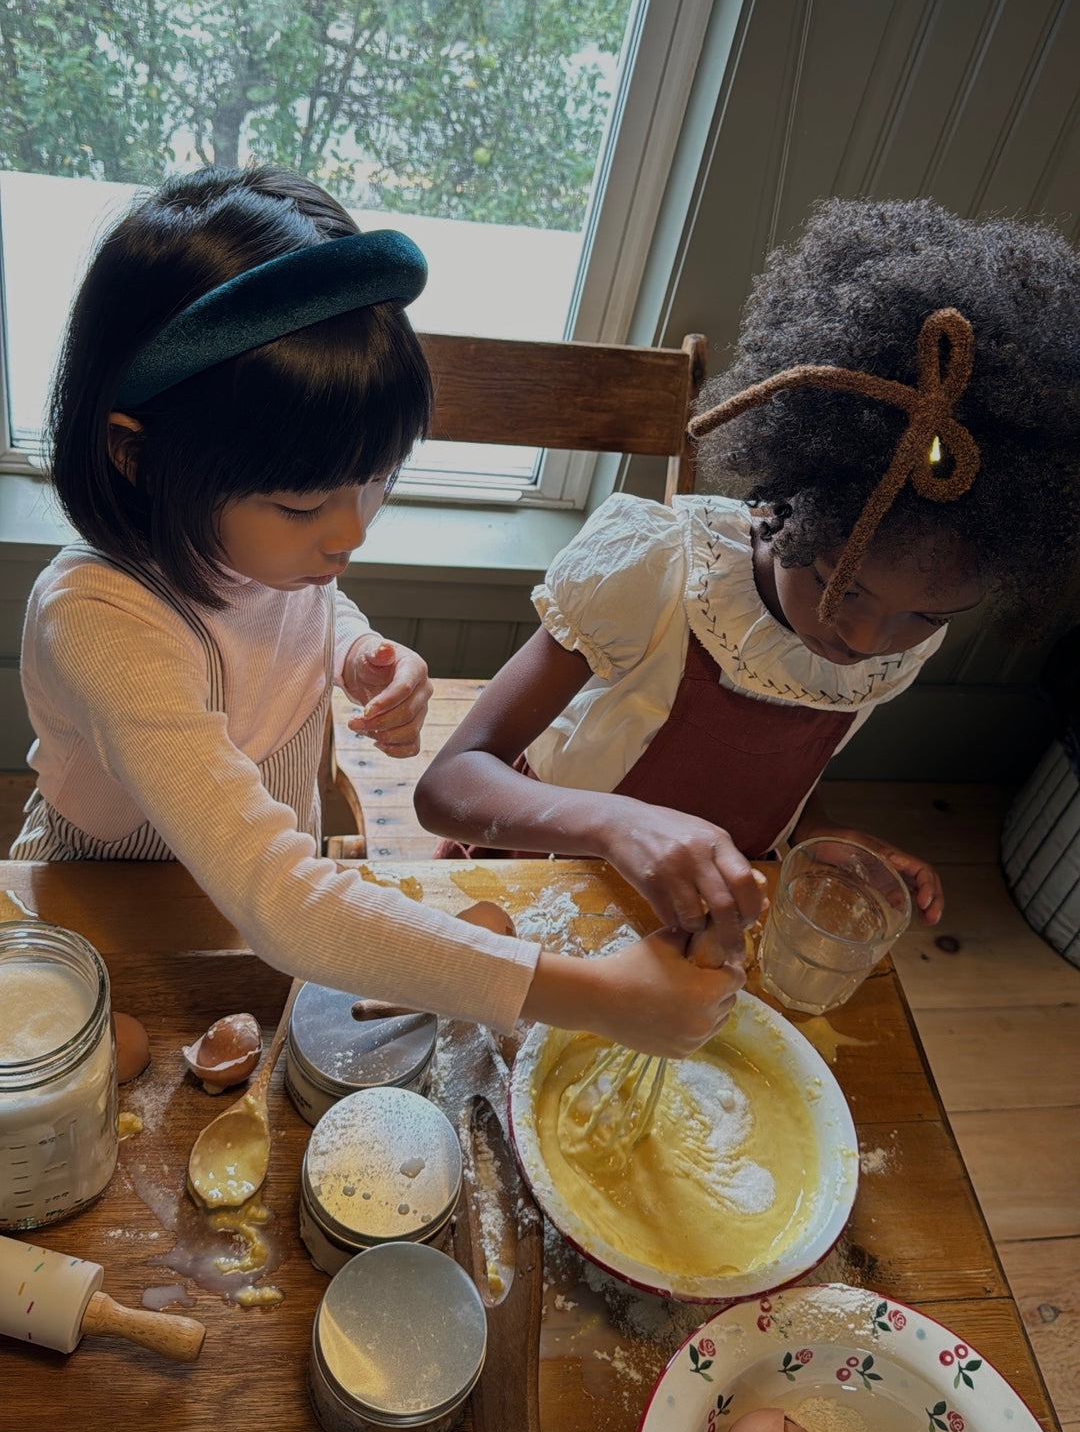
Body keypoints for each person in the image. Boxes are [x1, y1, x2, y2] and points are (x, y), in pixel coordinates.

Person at [13, 165, 744, 1054]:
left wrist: (355, 649)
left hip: (267, 874)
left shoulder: (258, 550)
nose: (349, 534)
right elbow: (281, 899)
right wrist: (591, 995)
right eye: (300, 505)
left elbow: (284, 603)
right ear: (135, 458)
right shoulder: (96, 618)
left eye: (377, 480)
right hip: (121, 899)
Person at [415, 197, 1080, 936]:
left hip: (702, 918)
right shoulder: (654, 575)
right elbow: (449, 786)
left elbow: (782, 770)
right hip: (536, 884)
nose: (864, 638)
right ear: (784, 504)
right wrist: (616, 826)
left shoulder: (903, 638)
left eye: (925, 616)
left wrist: (818, 834)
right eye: (839, 583)